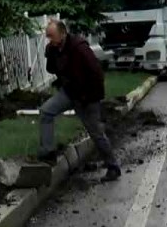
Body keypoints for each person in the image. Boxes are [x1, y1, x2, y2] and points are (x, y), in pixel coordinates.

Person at [38, 19, 123, 181]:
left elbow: (97, 73)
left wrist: (89, 98)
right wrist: (50, 53)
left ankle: (113, 167)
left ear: (63, 33)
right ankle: (47, 154)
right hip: (70, 92)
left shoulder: (79, 48)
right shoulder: (55, 48)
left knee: (96, 133)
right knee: (46, 111)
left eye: (52, 36)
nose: (49, 40)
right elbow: (52, 69)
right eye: (48, 36)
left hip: (87, 96)